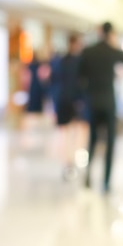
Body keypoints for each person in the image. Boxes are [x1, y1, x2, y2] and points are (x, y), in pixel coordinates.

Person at [77, 22, 123, 193]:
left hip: (92, 101)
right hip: (108, 102)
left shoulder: (88, 51)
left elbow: (80, 77)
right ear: (111, 33)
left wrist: (86, 94)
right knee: (110, 142)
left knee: (92, 140)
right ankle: (106, 182)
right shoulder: (112, 51)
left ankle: (88, 175)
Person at [52, 35, 85, 180]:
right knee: (73, 130)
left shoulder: (60, 61)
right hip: (72, 100)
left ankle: (69, 159)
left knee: (67, 131)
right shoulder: (77, 62)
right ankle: (71, 158)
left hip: (63, 99)